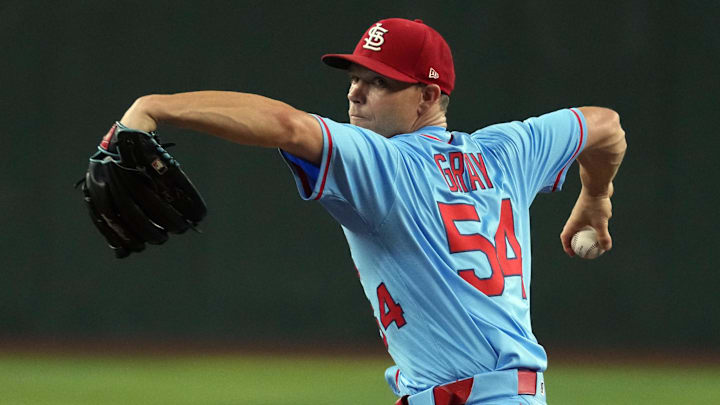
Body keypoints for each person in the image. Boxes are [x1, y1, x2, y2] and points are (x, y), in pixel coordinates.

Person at [118, 18, 626, 405]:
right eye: (356, 76)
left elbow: (287, 126)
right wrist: (596, 199)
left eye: (380, 82)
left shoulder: (386, 164)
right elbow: (604, 126)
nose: (355, 92)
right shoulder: (507, 150)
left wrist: (154, 107)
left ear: (428, 96)